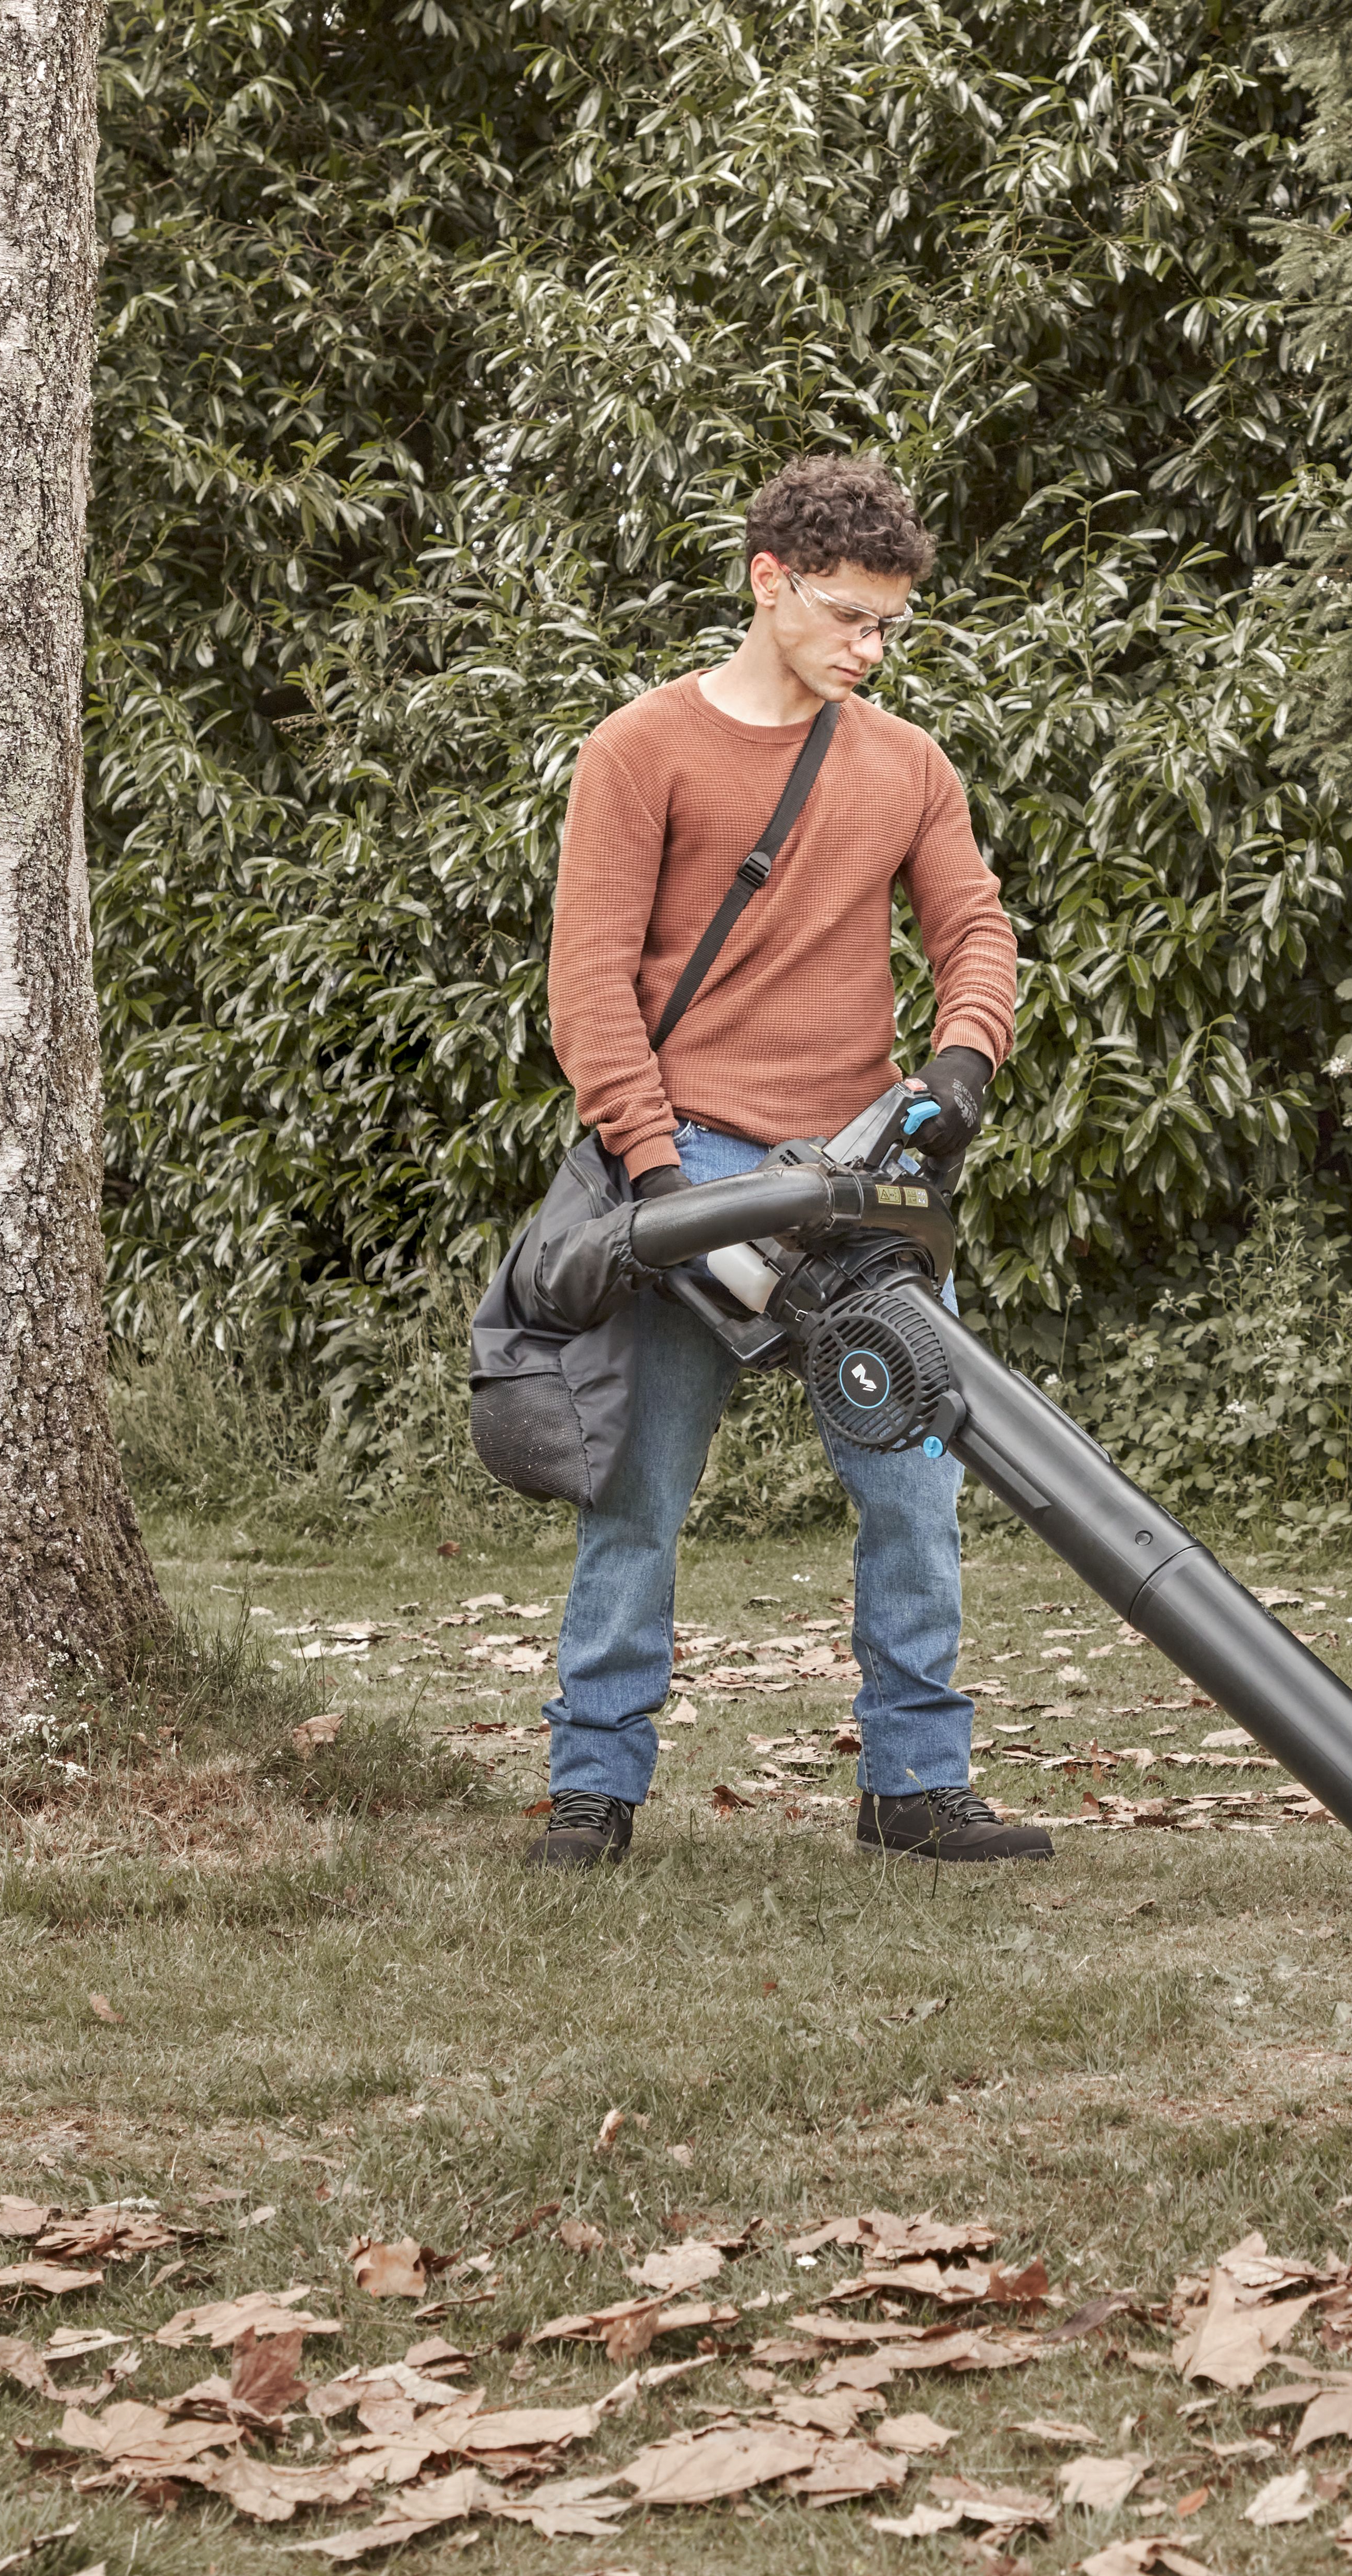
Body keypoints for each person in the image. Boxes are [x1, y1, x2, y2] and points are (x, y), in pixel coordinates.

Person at [528, 454, 1051, 1873]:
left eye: (889, 624)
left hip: (858, 1170)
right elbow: (590, 987)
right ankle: (594, 1793)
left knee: (916, 1476)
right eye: (845, 616)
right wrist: (652, 1174)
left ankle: (916, 1786)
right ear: (767, 584)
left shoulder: (905, 764)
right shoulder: (639, 751)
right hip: (698, 1163)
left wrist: (963, 1061)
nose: (868, 649)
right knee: (643, 1487)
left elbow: (975, 933)